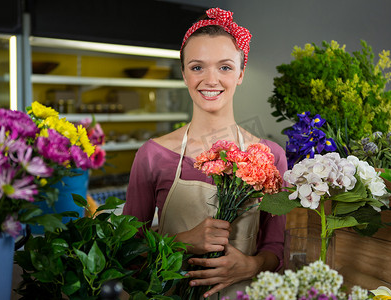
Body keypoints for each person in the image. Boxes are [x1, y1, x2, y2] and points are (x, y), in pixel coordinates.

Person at [123, 7, 287, 299]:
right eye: (197, 67)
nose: (211, 80)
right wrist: (181, 242)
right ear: (184, 74)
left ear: (240, 74)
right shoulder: (152, 155)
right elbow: (127, 250)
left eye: (224, 67)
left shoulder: (270, 156)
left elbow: (275, 249)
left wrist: (250, 265)